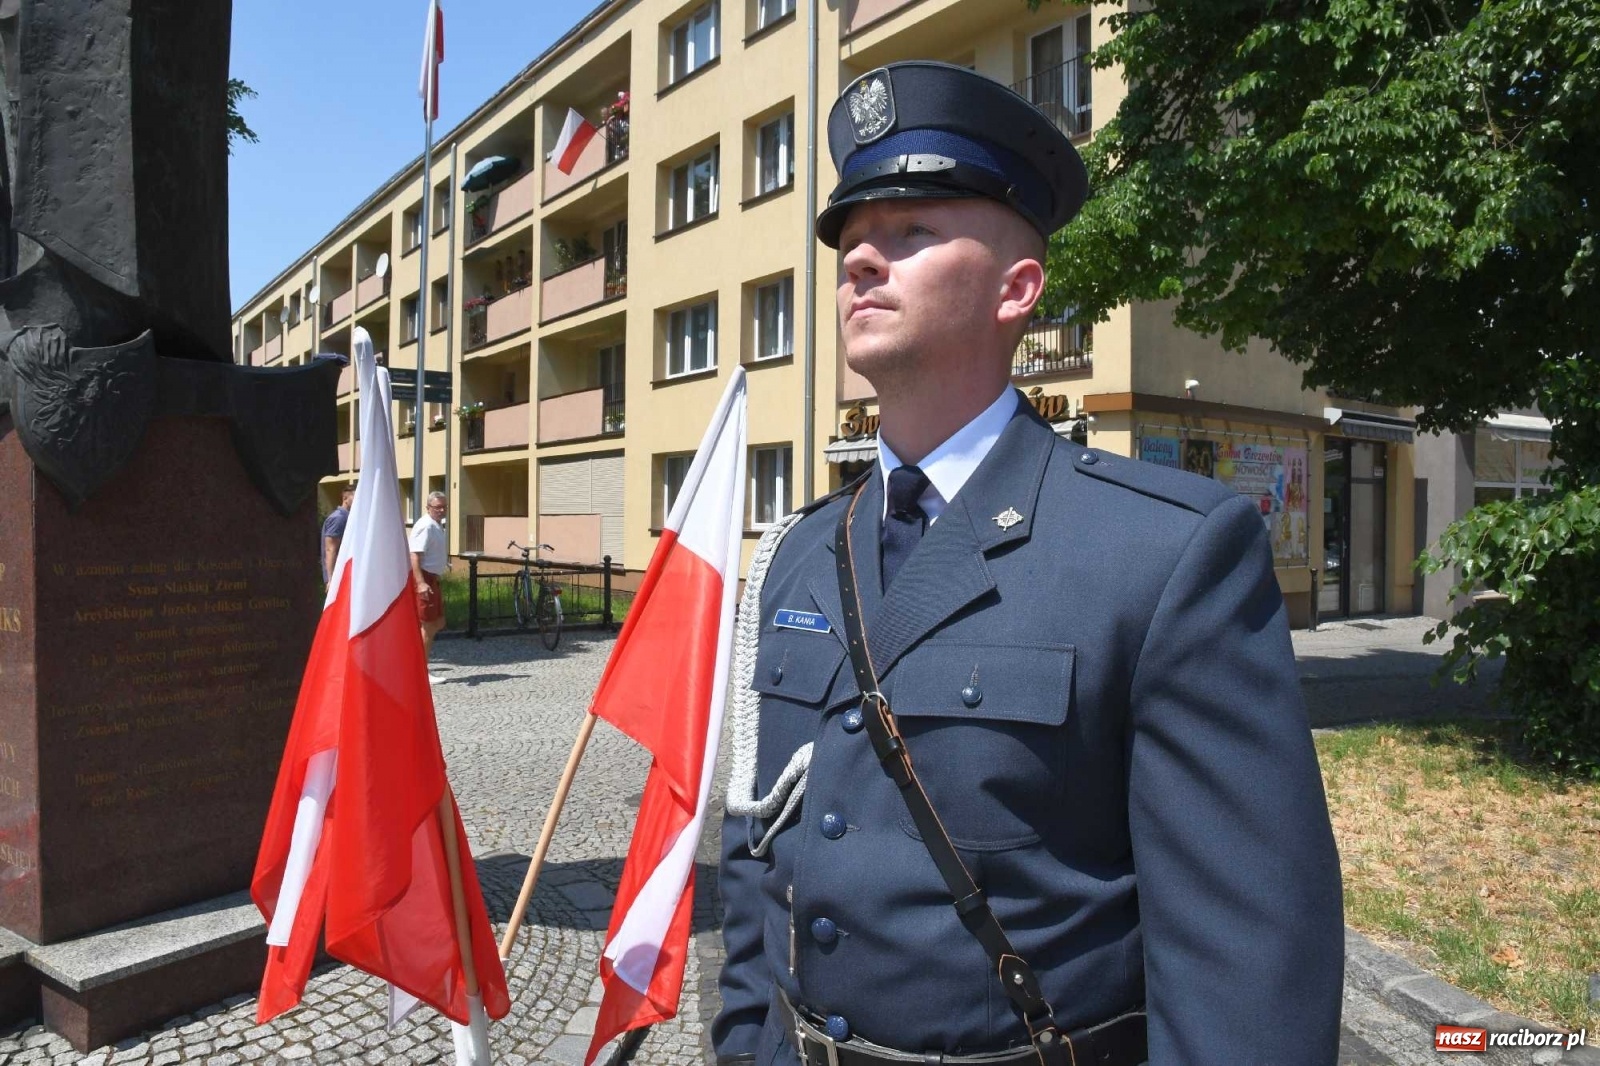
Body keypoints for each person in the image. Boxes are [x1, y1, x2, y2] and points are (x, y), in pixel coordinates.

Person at [714, 62, 1343, 1066]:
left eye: (912, 232)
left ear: (1018, 289)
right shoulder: (797, 554)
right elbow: (757, 859)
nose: (863, 261)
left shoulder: (1164, 553)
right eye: (852, 241)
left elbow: (1246, 965)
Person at [409, 491, 449, 683]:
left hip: (433, 578)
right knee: (428, 624)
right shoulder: (426, 526)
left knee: (438, 622)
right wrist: (421, 583)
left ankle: (416, 663)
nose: (441, 510)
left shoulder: (436, 525)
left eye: (444, 507)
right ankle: (420, 671)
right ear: (428, 508)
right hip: (425, 578)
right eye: (437, 507)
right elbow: (415, 555)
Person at [320, 483, 355, 583]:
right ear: (345, 498)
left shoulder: (348, 518)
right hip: (338, 578)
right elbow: (330, 549)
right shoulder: (339, 518)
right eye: (355, 497)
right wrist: (331, 580)